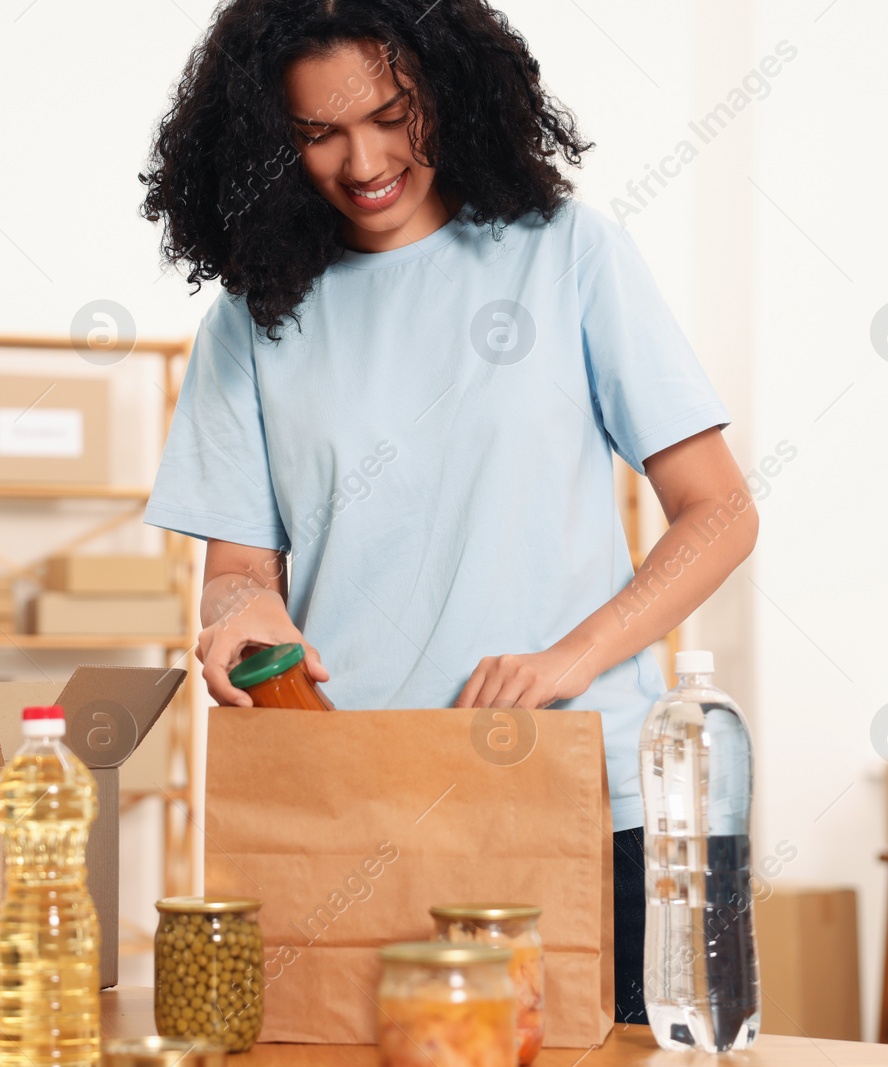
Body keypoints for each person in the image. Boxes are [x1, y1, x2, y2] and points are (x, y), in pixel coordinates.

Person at [138, 0, 758, 1024]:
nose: (363, 159)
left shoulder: (565, 252)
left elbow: (719, 510)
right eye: (317, 133)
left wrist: (570, 654)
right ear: (265, 141)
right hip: (354, 807)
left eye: (391, 113)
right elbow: (240, 575)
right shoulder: (252, 318)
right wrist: (239, 614)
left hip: (577, 792)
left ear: (447, 91)